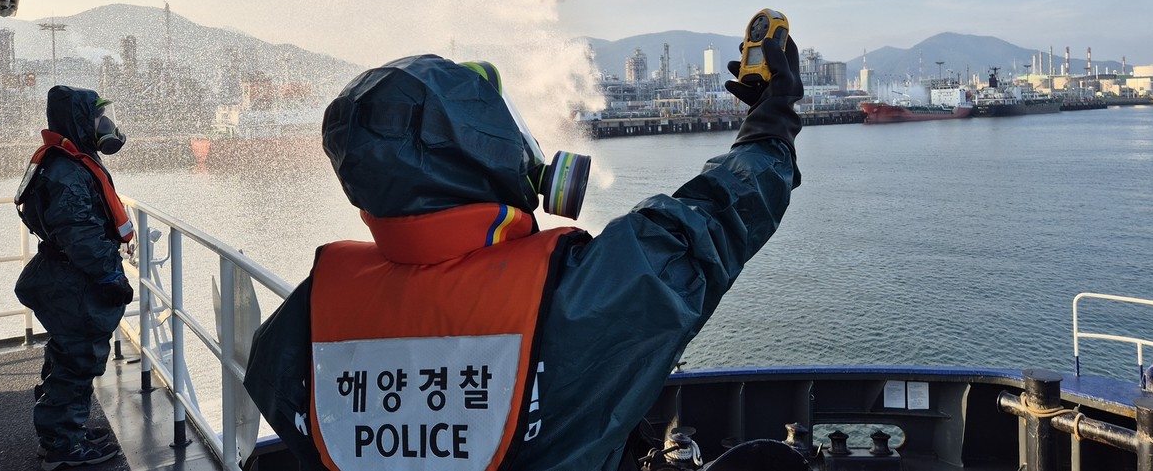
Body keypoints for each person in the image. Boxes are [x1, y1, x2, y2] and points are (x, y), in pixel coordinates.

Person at [243, 33, 802, 471]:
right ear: (487, 148)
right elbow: (713, 220)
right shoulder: (577, 297)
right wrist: (769, 123)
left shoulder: (301, 323)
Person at [14, 86, 135, 470]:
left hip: (64, 275)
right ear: (81, 121)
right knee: (76, 361)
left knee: (66, 353)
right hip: (75, 282)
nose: (107, 125)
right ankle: (62, 448)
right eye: (99, 118)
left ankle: (65, 432)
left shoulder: (67, 162)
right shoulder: (67, 171)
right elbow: (80, 234)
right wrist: (111, 278)